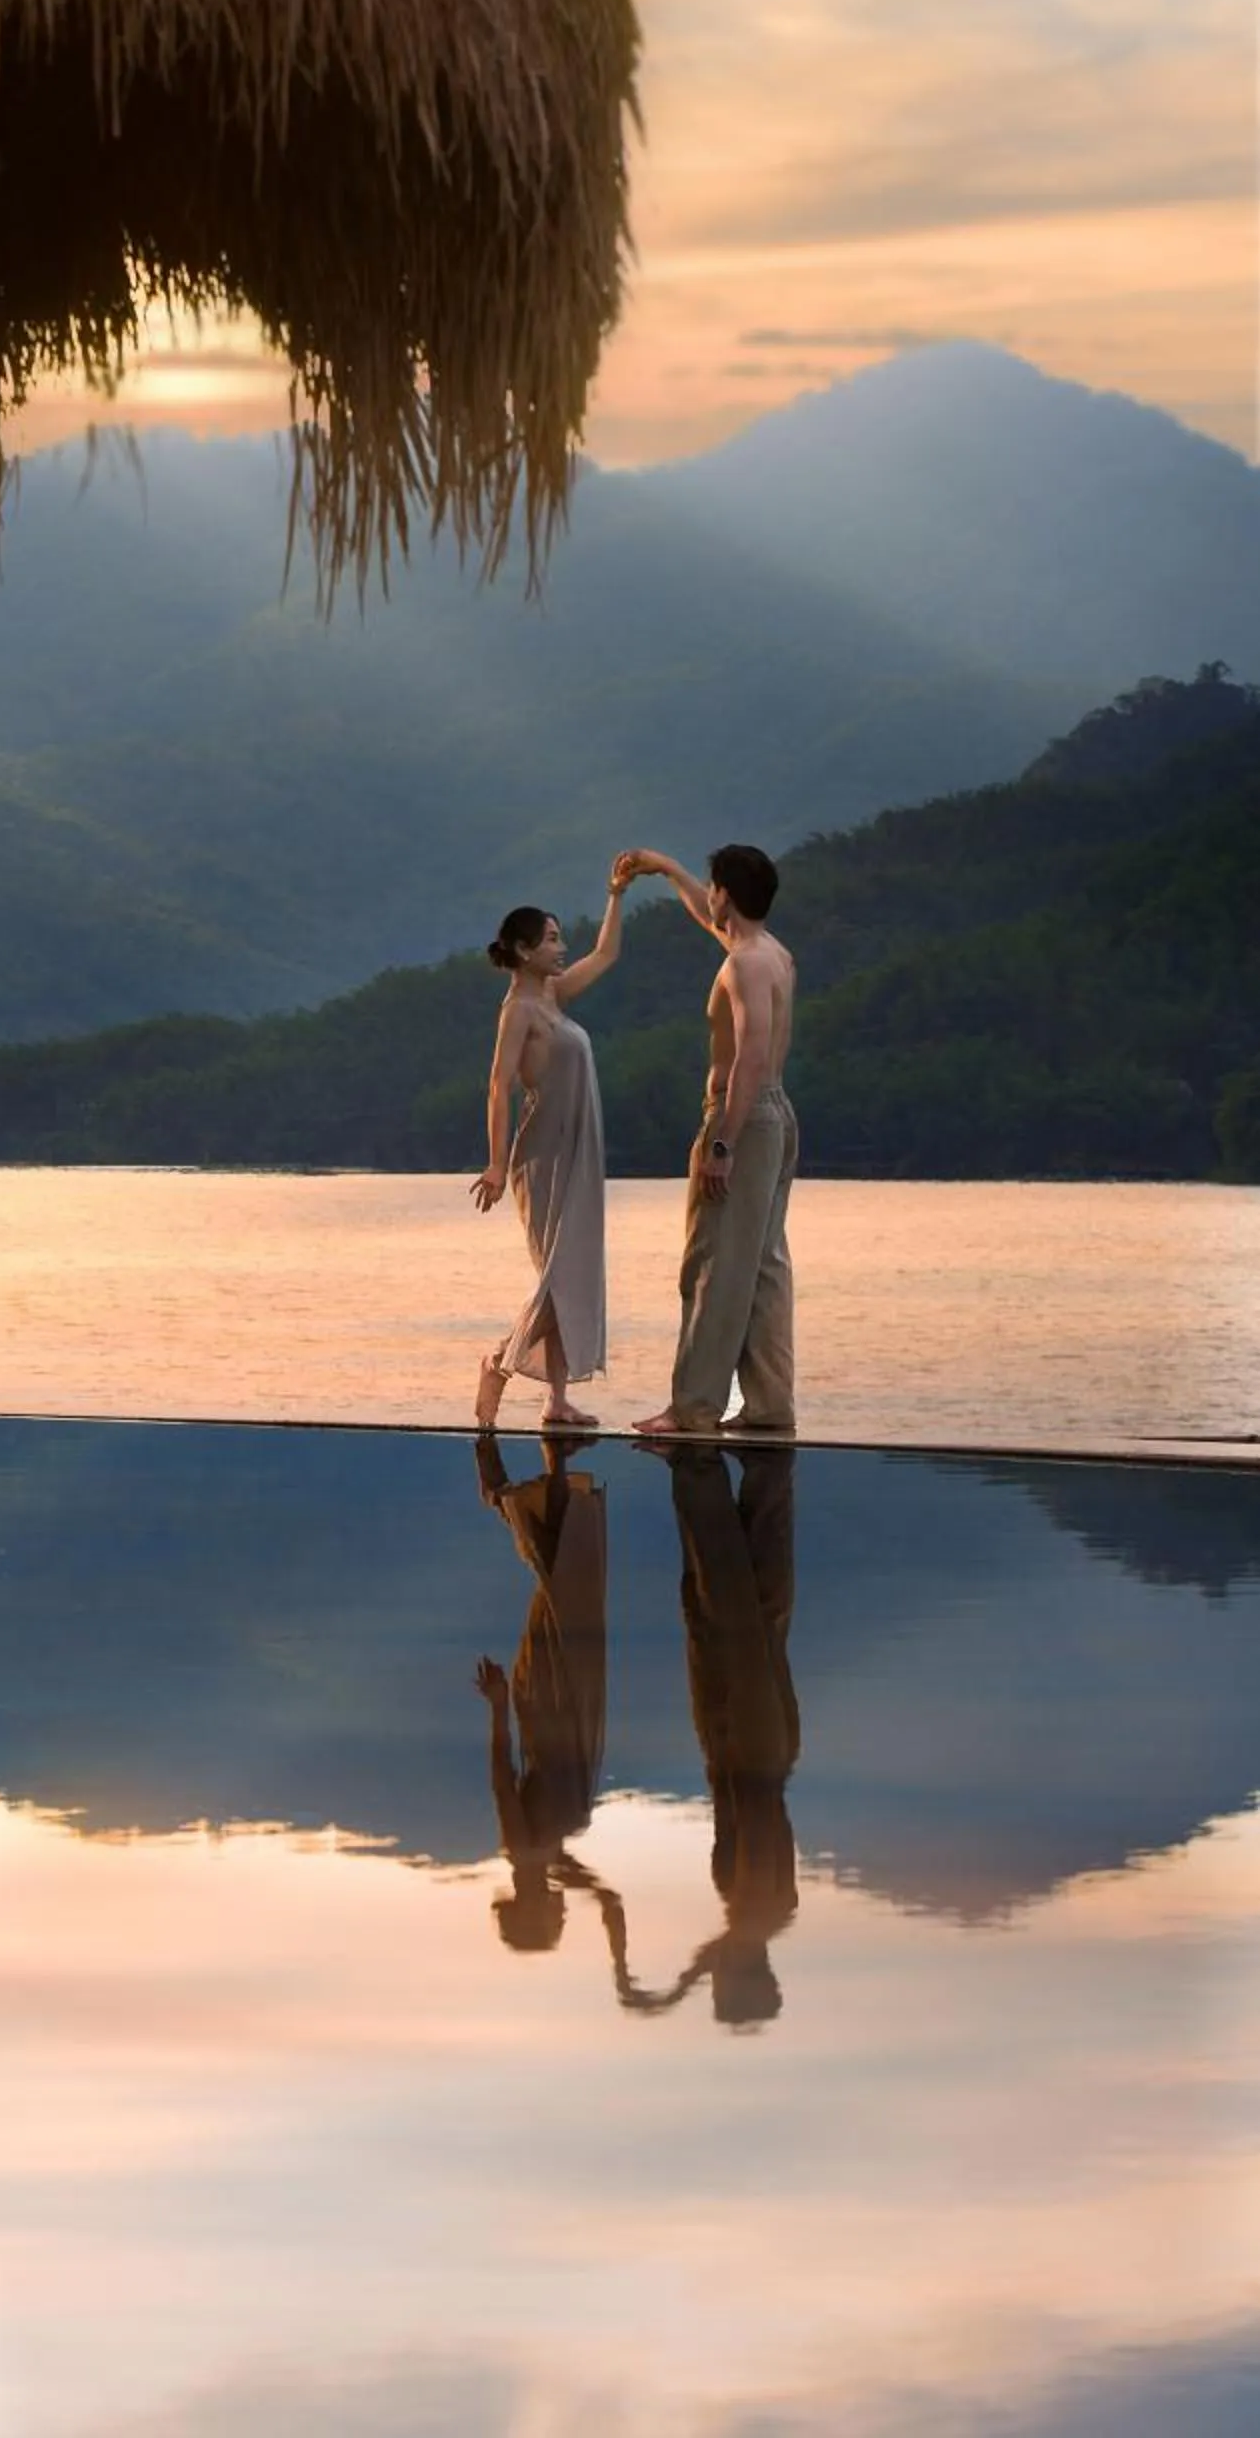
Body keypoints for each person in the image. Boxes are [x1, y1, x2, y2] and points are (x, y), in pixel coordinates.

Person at [583, 1439, 800, 2028]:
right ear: (742, 1976)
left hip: (766, 1747)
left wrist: (669, 1989)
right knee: (723, 1608)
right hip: (746, 1746)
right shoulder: (755, 1910)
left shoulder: (768, 1917)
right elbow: (752, 1812)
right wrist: (668, 1989)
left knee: (760, 1608)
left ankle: (765, 1470)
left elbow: (710, 1956)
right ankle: (696, 1469)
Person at [621, 842, 797, 1438]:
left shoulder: (745, 964)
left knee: (713, 1265)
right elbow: (707, 917)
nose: (708, 895)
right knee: (764, 1264)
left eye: (711, 885)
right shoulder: (768, 953)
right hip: (776, 1114)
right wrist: (666, 869)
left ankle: (693, 1409)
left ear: (727, 892)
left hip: (743, 1117)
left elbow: (748, 1057)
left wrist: (722, 1142)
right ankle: (770, 1406)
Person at [470, 865, 629, 1434]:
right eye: (553, 938)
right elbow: (497, 1086)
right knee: (558, 1274)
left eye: (561, 937)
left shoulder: (556, 994)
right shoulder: (519, 1011)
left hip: (580, 1148)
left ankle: (557, 1401)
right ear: (522, 949)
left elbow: (607, 954)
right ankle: (500, 1361)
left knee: (575, 1272)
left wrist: (616, 893)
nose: (562, 947)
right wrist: (493, 1162)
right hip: (542, 1155)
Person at [471, 1428, 609, 1951]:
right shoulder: (550, 1859)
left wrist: (499, 1703)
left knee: (558, 1585)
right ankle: (537, 1470)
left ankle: (518, 1466)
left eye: (555, 1921)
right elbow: (608, 1899)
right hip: (574, 1706)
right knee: (563, 1583)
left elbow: (503, 1777)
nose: (564, 1914)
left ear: (533, 1910)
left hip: (548, 1703)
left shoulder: (522, 1849)